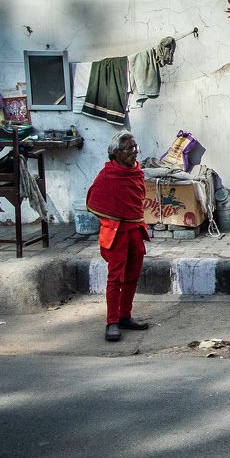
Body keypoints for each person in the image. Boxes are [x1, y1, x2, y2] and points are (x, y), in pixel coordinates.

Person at [86, 130, 151, 342]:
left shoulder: (136, 171)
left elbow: (138, 197)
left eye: (135, 148)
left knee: (132, 275)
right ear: (116, 153)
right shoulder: (108, 175)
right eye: (129, 149)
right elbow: (94, 201)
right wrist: (113, 217)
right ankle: (111, 321)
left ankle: (125, 315)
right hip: (116, 232)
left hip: (135, 229)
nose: (134, 152)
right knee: (115, 278)